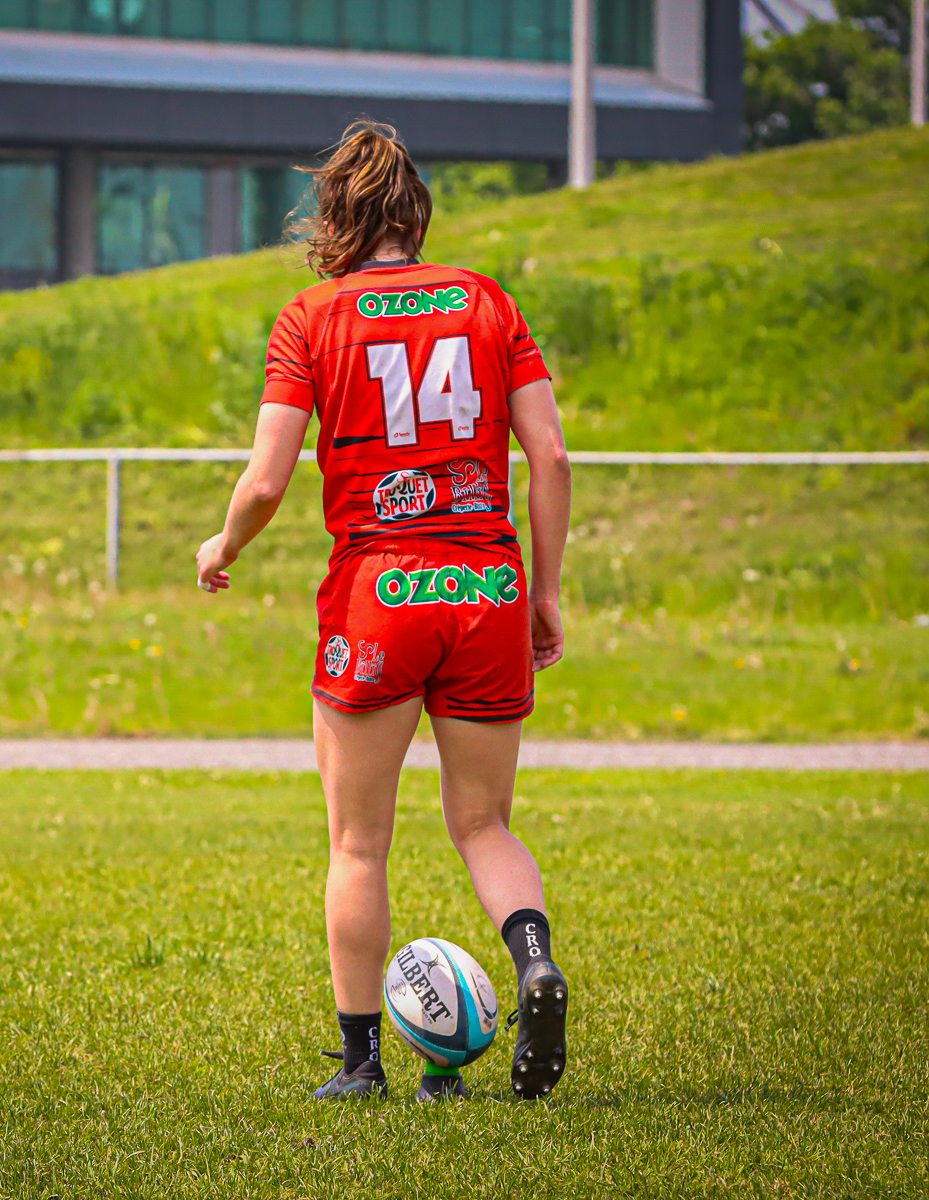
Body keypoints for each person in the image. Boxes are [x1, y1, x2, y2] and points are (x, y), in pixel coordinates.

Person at [195, 120, 573, 1104]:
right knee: (485, 822)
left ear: (338, 217)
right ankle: (534, 961)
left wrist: (223, 545)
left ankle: (360, 1063)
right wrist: (542, 591)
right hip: (485, 587)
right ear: (416, 214)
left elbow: (269, 480)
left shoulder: (311, 316)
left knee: (360, 842)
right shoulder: (488, 300)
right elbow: (553, 458)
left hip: (381, 591)